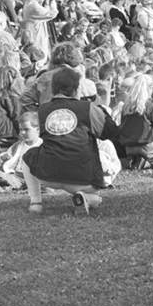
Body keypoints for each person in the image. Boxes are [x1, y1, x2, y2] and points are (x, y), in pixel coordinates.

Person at [22, 66, 122, 214]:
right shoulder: (87, 108)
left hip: (49, 175)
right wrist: (100, 108)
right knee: (95, 198)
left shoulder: (42, 110)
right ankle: (84, 198)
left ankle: (35, 203)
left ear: (53, 89)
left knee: (28, 155)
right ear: (77, 88)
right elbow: (109, 131)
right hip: (82, 177)